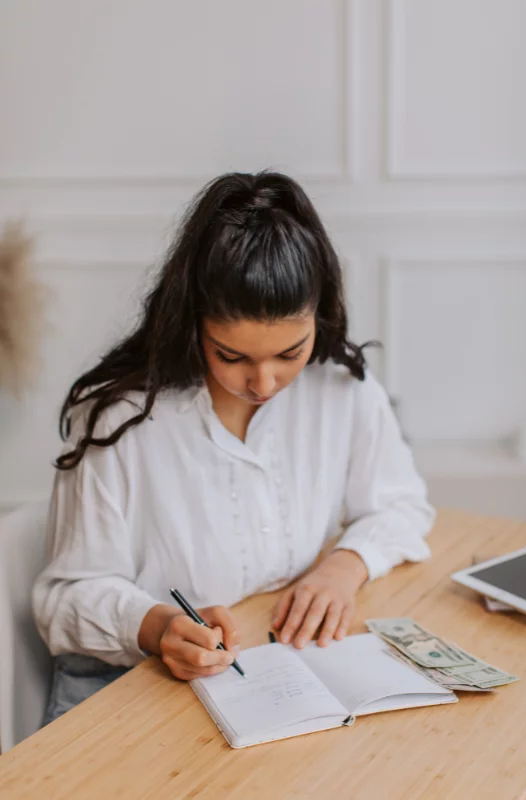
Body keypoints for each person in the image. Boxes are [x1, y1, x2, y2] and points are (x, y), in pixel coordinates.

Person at [33, 171, 435, 724]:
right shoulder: (118, 418)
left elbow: (402, 504)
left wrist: (344, 567)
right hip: (125, 693)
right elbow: (64, 599)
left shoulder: (340, 388)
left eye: (289, 353)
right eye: (232, 356)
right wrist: (155, 626)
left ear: (317, 314)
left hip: (269, 673)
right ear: (192, 322)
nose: (264, 383)